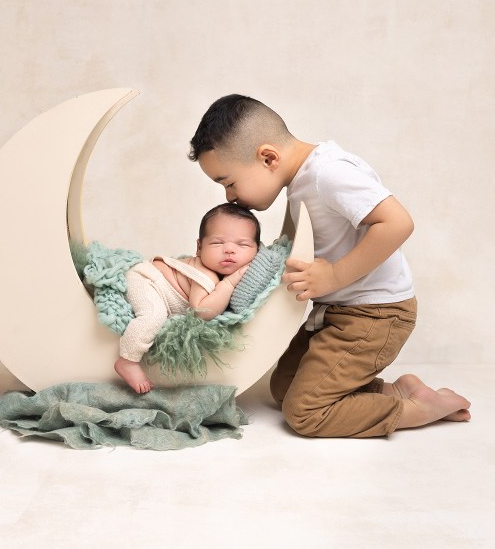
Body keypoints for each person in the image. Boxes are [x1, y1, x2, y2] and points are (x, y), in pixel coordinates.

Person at [188, 94, 471, 437]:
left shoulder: (328, 173)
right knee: (284, 387)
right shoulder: (302, 180)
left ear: (268, 157)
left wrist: (335, 275)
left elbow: (397, 223)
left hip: (374, 315)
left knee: (305, 413)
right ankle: (398, 390)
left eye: (228, 182)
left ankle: (417, 409)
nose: (229, 197)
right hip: (337, 312)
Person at [115, 202, 258, 393]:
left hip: (154, 284)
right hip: (145, 280)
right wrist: (229, 284)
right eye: (217, 242)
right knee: (153, 315)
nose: (229, 250)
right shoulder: (205, 273)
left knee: (157, 313)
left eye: (242, 244)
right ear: (199, 247)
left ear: (257, 250)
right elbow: (200, 311)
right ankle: (127, 360)